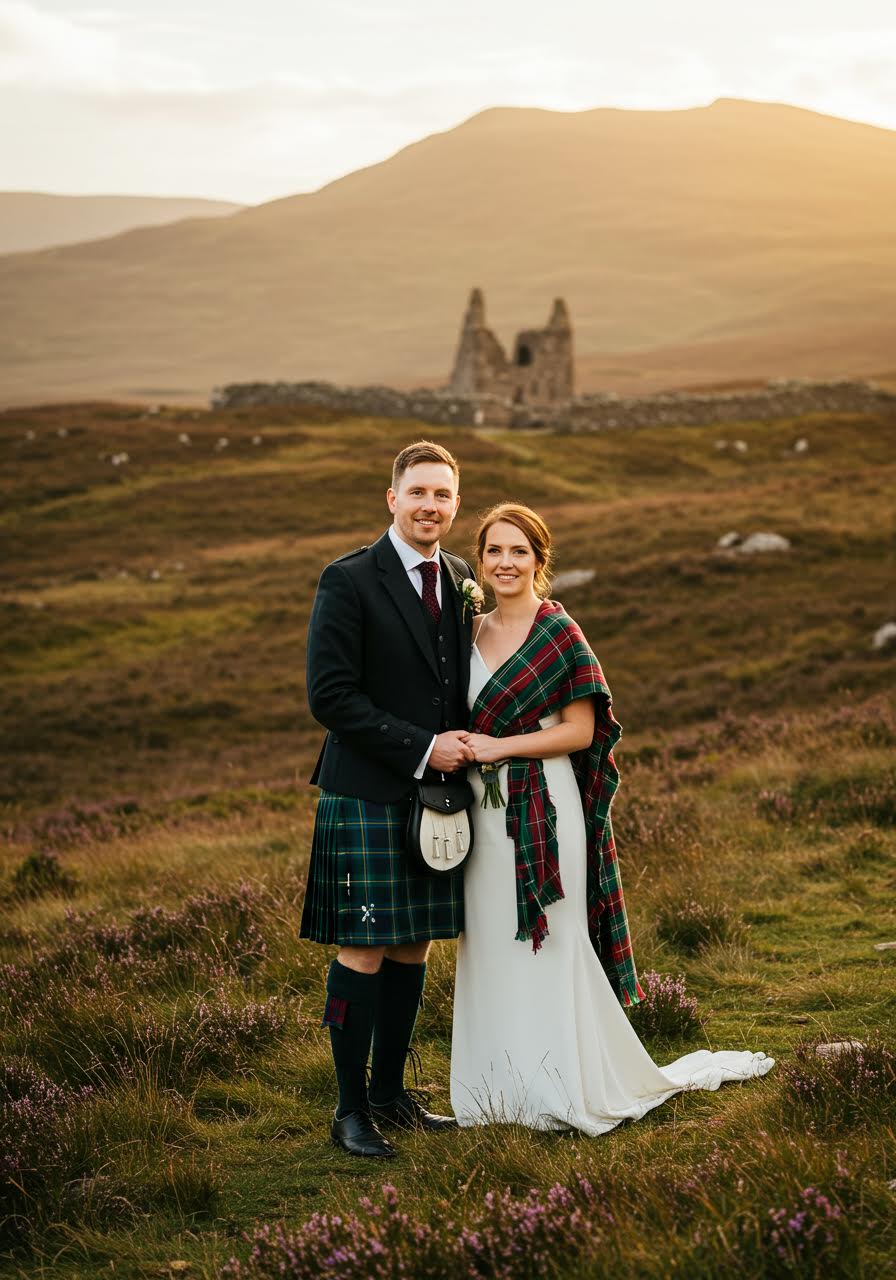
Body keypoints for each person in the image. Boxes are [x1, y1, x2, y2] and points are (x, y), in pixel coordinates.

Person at [451, 503, 774, 1133]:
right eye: (494, 551)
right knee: (488, 944)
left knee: (549, 938)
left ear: (539, 561)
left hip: (544, 806)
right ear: (481, 561)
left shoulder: (558, 632)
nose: (505, 563)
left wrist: (500, 747)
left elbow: (580, 731)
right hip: (481, 818)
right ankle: (497, 1096)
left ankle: (567, 1087)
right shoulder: (466, 632)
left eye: (519, 551)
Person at [301, 440, 475, 1157]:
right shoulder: (348, 580)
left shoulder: (462, 576)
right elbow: (330, 696)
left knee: (414, 944)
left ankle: (392, 1096)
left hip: (438, 799)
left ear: (454, 505)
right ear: (392, 498)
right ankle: (348, 1112)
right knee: (364, 948)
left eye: (443, 495)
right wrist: (420, 747)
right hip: (370, 791)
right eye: (419, 493)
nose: (431, 506)